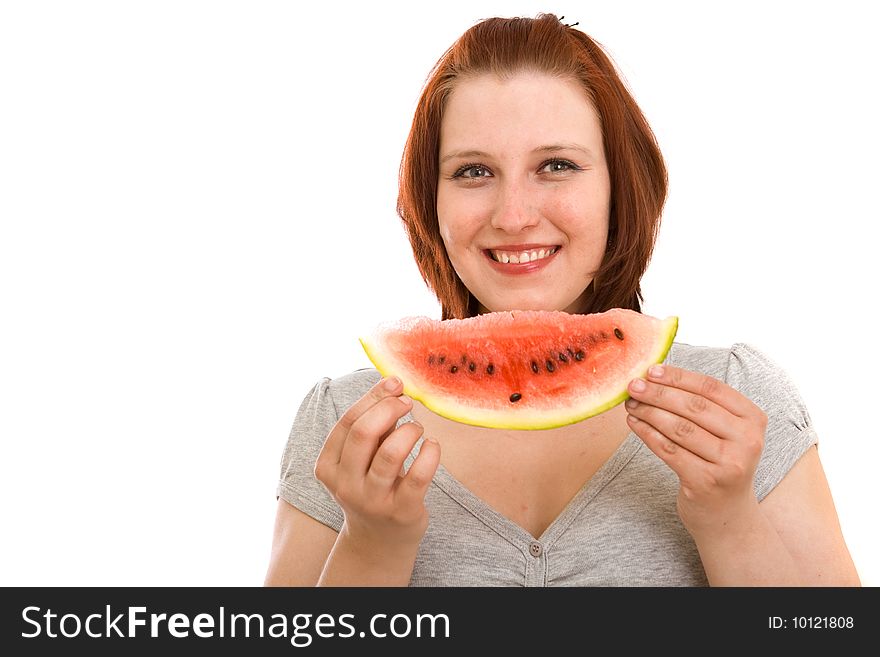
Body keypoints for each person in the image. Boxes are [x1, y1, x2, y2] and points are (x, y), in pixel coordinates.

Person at [264, 14, 860, 586]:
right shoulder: (347, 423)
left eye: (556, 165)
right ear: (431, 200)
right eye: (473, 172)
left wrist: (728, 517)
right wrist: (373, 544)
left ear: (618, 187)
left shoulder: (734, 398)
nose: (514, 216)